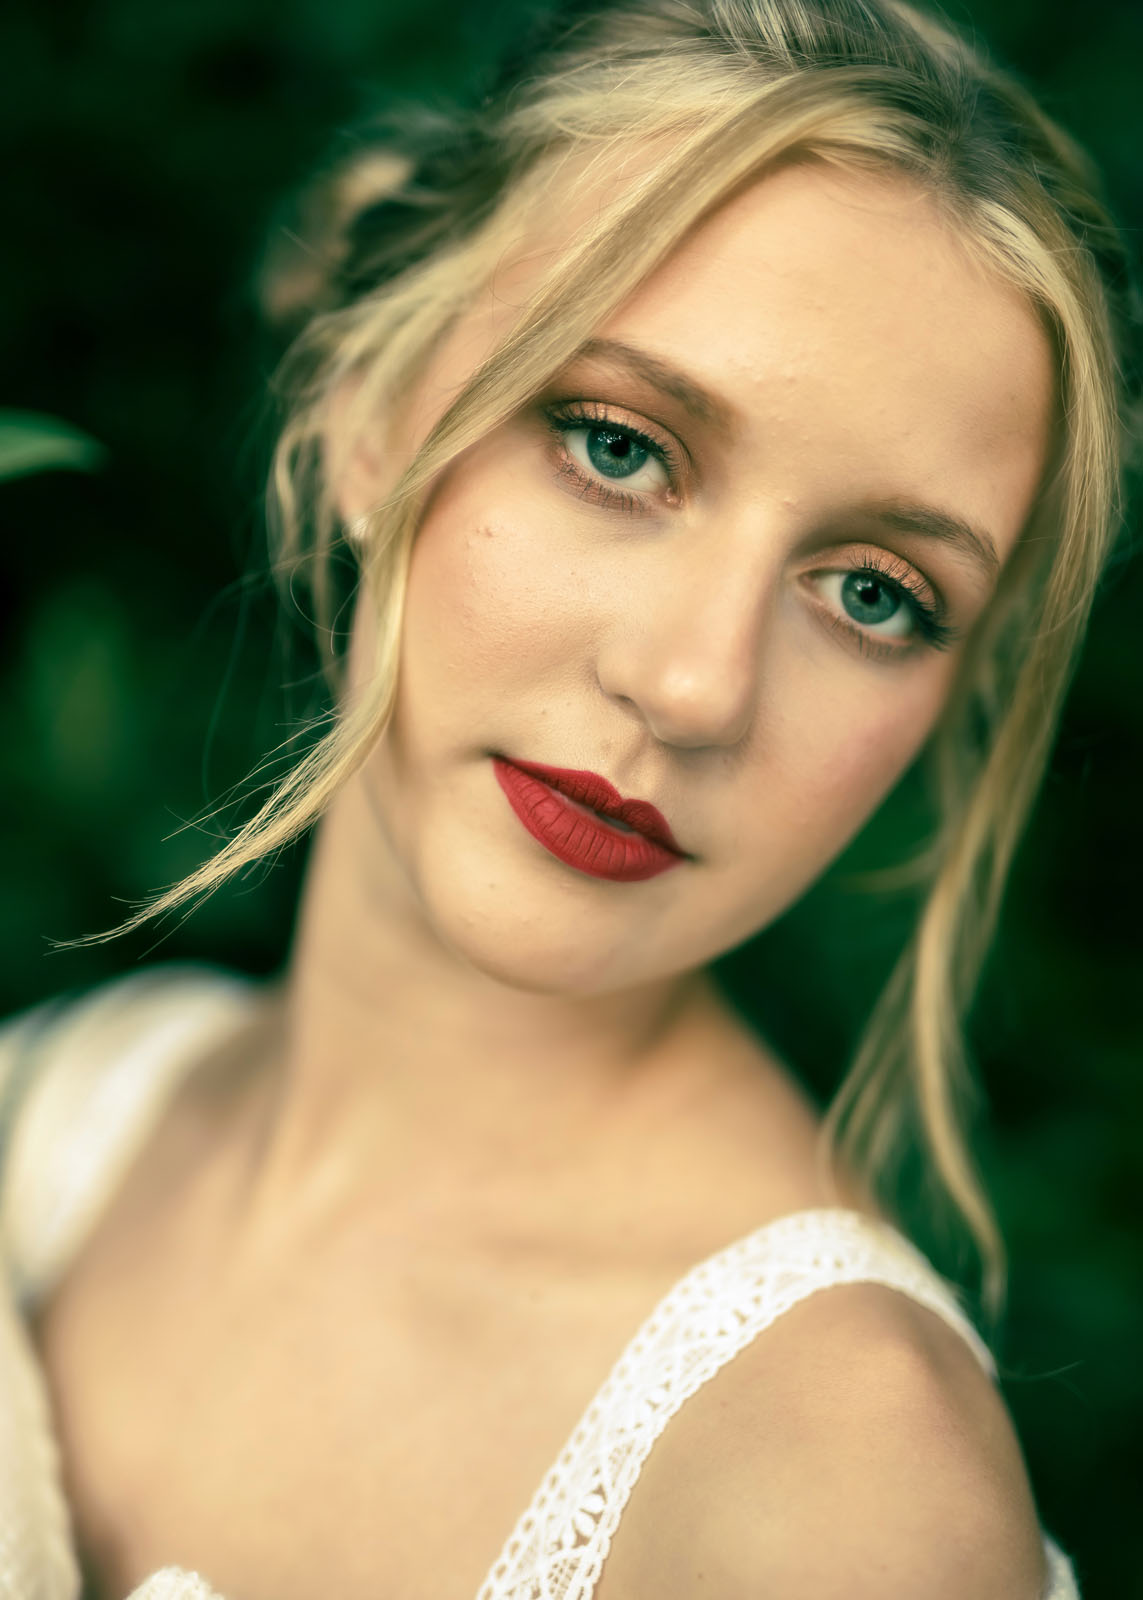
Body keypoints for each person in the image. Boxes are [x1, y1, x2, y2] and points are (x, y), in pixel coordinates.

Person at [0, 1, 1136, 1596]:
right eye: (616, 446)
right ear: (366, 400)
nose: (695, 687)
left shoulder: (841, 1498)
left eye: (875, 594)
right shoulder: (59, 1110)